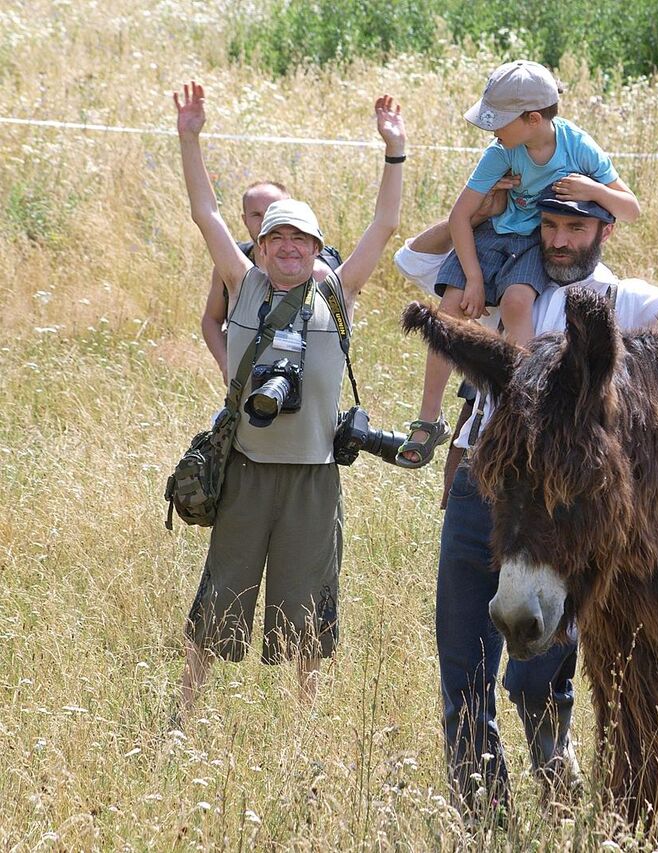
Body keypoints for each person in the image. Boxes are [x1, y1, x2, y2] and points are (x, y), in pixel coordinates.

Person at [395, 195, 658, 819]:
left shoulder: (622, 302)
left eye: (575, 228)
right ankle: (481, 811)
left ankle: (557, 784)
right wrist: (475, 215)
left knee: (538, 678)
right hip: (491, 492)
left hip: (564, 511)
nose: (560, 241)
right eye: (550, 226)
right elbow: (412, 262)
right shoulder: (502, 278)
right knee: (463, 669)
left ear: (602, 231)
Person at [170, 81, 405, 721]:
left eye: (302, 239)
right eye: (278, 239)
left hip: (312, 478)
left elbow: (386, 224)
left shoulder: (338, 293)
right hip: (244, 472)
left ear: (315, 245)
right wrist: (190, 137)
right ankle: (184, 718)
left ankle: (304, 733)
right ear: (262, 246)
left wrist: (394, 152)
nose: (290, 248)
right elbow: (206, 213)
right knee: (220, 596)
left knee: (308, 610)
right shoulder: (242, 285)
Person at [397, 59, 641, 470]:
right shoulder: (500, 153)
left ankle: (519, 402)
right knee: (451, 307)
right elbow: (461, 216)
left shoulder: (578, 146)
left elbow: (630, 209)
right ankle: (428, 417)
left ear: (532, 119)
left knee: (515, 304)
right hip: (494, 236)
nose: (492, 130)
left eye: (499, 121)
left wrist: (591, 187)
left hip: (531, 242)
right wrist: (473, 278)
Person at [200, 181, 343, 381]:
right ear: (244, 219)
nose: (265, 219)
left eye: (272, 210)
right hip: (247, 383)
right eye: (256, 215)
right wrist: (226, 364)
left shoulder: (318, 272)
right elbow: (211, 320)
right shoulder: (232, 271)